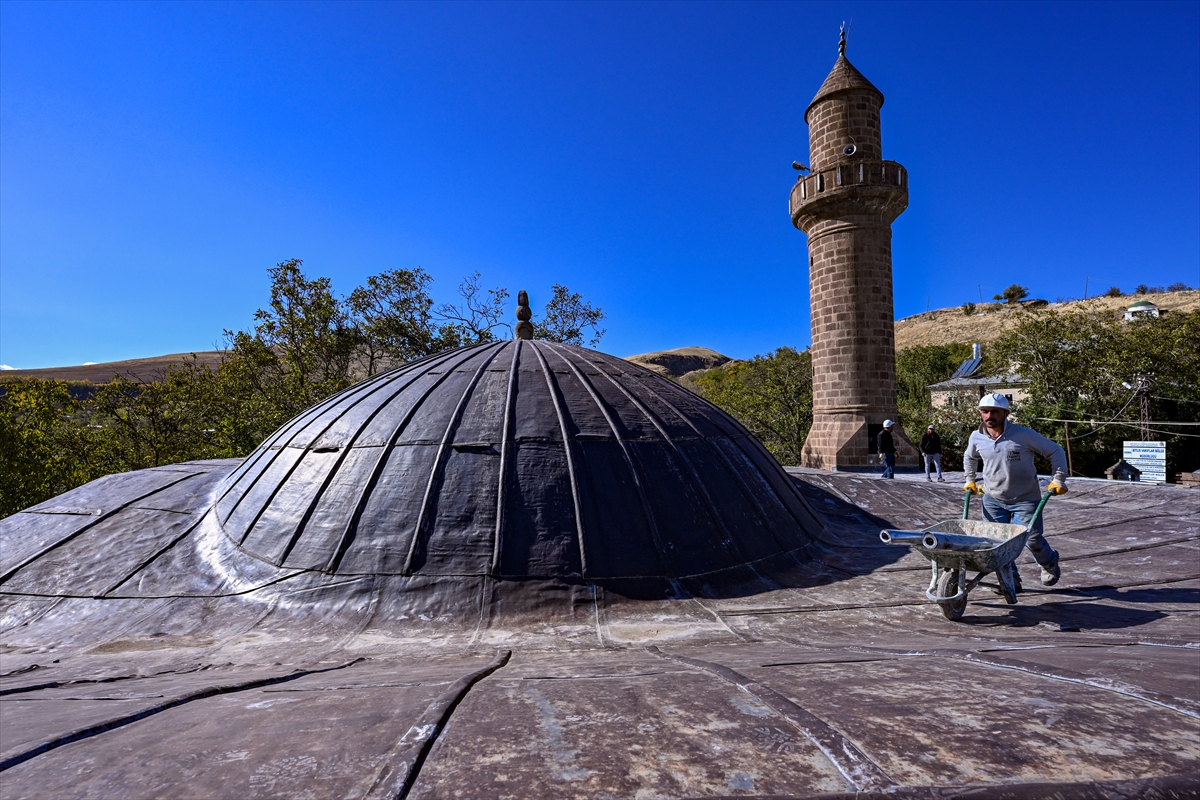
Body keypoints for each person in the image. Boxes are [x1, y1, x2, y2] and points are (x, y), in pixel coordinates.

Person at [963, 393, 1068, 588]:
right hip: (993, 498)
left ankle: (1049, 562)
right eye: (985, 411)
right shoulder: (976, 436)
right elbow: (970, 457)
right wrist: (970, 480)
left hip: (1025, 498)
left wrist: (1058, 479)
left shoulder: (1023, 435)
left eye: (995, 411)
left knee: (1032, 539)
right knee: (997, 543)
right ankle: (1010, 579)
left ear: (1006, 413)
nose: (989, 416)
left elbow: (1056, 451)